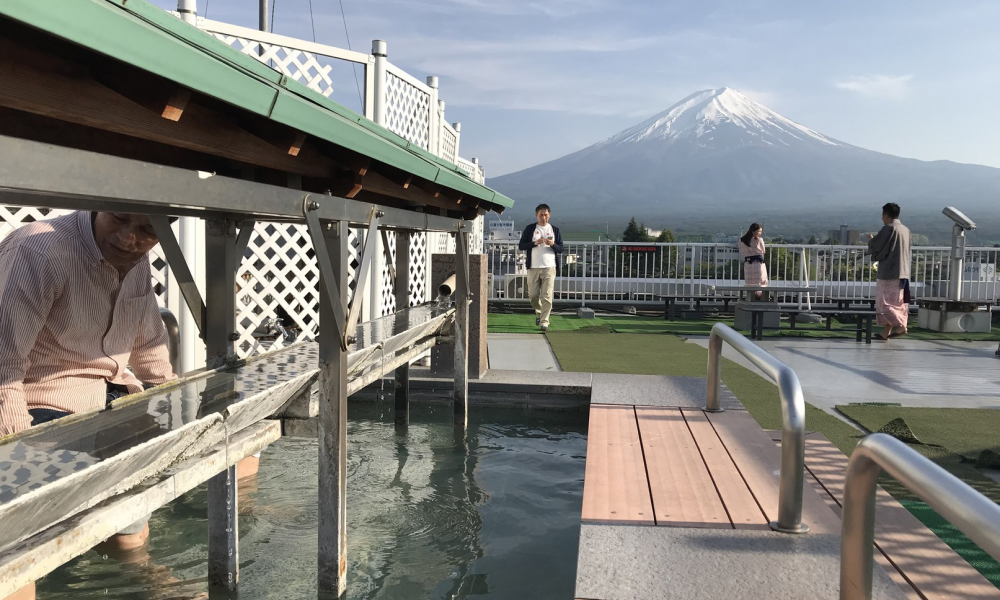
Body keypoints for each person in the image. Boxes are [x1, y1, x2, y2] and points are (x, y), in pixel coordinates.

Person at [0, 212, 177, 600]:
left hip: (110, 396)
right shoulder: (39, 250)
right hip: (36, 401)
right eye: (119, 218)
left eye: (147, 230)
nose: (128, 237)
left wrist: (179, 406)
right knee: (15, 546)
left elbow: (148, 344)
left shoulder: (134, 259)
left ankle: (134, 566)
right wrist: (17, 454)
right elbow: (4, 365)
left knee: (133, 518)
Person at [866, 202, 911, 340]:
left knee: (884, 303)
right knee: (898, 303)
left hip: (889, 272)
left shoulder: (888, 229)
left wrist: (871, 240)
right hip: (903, 271)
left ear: (886, 215)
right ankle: (886, 332)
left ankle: (902, 325)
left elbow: (877, 246)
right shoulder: (905, 230)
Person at [518, 204, 563, 331]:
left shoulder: (555, 230)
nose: (544, 217)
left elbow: (561, 249)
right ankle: (539, 312)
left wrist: (553, 244)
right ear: (536, 215)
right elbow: (521, 246)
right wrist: (534, 243)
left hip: (550, 267)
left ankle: (545, 322)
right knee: (533, 295)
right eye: (541, 214)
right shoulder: (530, 228)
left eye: (546, 215)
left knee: (547, 295)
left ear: (549, 215)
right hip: (533, 267)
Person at [738, 223, 768, 299]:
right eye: (759, 231)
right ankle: (761, 298)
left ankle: (750, 298)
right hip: (758, 264)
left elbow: (741, 251)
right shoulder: (759, 240)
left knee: (750, 283)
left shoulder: (742, 240)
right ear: (753, 231)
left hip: (748, 264)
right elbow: (763, 251)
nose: (760, 233)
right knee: (761, 281)